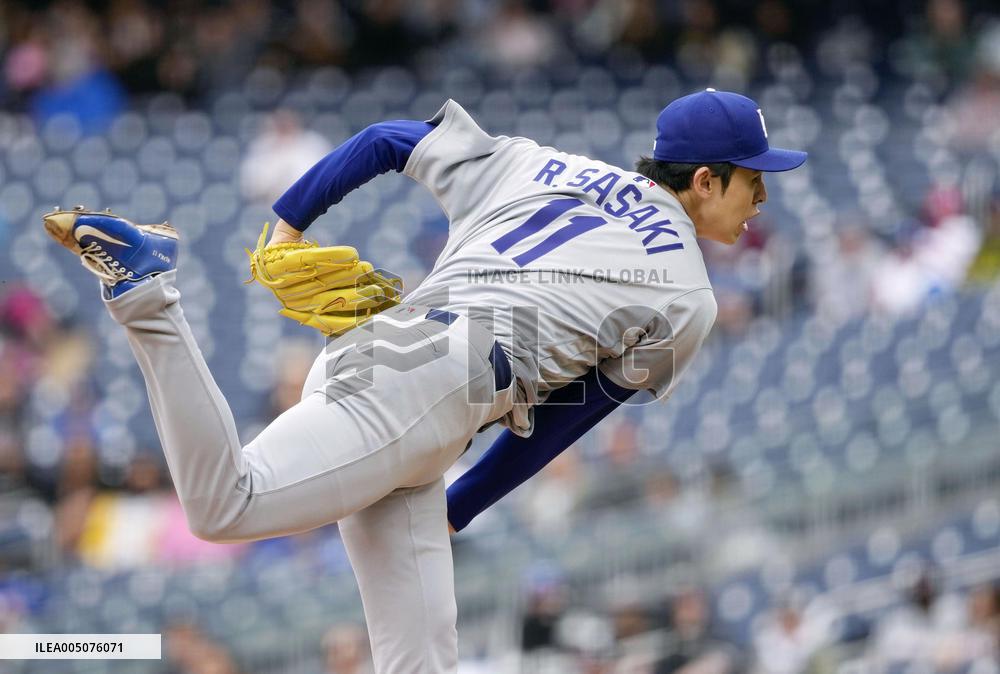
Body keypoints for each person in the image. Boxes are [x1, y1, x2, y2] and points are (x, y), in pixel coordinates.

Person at [43, 88, 806, 674]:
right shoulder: (687, 295)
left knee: (418, 659)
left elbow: (382, 140)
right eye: (753, 181)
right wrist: (462, 507)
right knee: (223, 505)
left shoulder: (544, 163)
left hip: (387, 359)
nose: (762, 198)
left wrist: (287, 225)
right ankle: (149, 294)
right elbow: (566, 419)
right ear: (706, 180)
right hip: (433, 392)